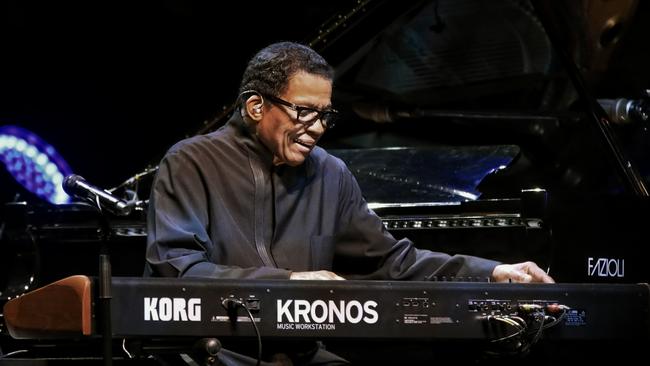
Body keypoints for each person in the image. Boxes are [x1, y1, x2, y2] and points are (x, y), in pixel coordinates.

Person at [145, 41, 554, 365]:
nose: (318, 128)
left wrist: (493, 273)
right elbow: (176, 269)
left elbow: (393, 262)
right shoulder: (190, 161)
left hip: (299, 354)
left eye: (325, 115)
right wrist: (288, 284)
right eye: (305, 112)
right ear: (256, 106)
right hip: (215, 353)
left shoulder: (330, 173)